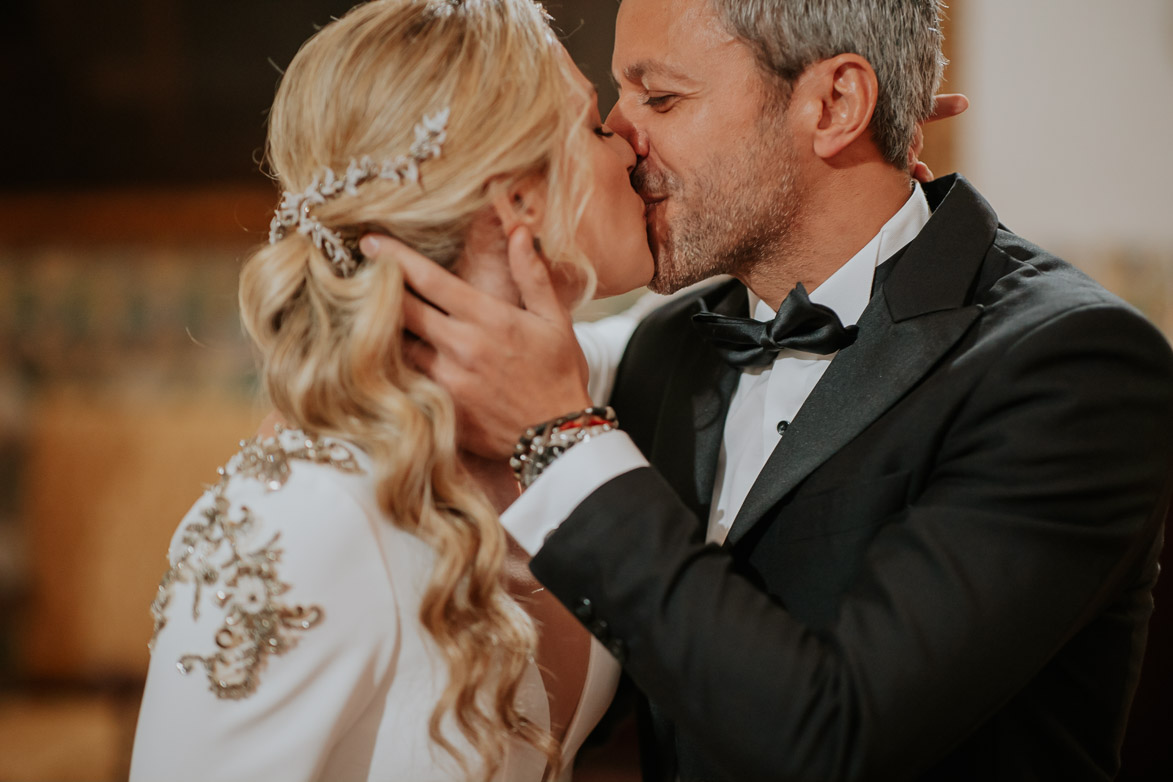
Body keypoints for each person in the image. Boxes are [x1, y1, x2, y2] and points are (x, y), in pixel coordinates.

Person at [365, 0, 1173, 779]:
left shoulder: (1069, 366)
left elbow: (834, 740)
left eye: (659, 96)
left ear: (833, 103)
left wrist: (563, 440)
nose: (616, 132)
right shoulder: (667, 344)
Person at [129, 1, 658, 780]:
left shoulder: (582, 405)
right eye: (592, 126)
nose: (629, 142)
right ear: (518, 203)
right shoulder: (301, 515)